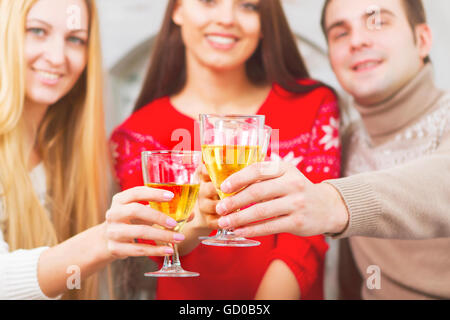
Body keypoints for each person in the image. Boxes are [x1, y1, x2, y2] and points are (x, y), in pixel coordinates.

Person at [213, 0, 450, 299]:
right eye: (340, 33)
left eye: (378, 22)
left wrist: (333, 201)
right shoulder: (345, 141)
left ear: (423, 40)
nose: (358, 40)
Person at [110, 0, 340, 300]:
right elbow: (152, 243)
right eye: (209, 2)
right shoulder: (135, 134)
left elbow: (308, 235)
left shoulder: (314, 106)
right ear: (177, 10)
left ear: (263, 23)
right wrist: (198, 220)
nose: (227, 18)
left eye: (248, 6)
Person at [0, 0, 187, 300]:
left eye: (75, 39)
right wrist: (103, 241)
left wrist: (198, 222)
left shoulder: (66, 151)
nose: (58, 57)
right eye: (37, 31)